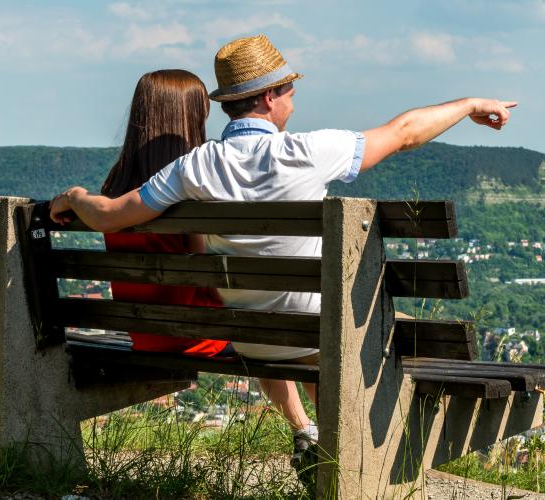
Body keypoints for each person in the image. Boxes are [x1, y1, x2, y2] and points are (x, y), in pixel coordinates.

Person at [49, 34, 517, 471]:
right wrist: (471, 104)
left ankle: (313, 435)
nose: (294, 100)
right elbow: (405, 131)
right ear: (270, 96)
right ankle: (378, 454)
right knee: (417, 333)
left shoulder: (192, 167)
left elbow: (109, 214)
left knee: (297, 314)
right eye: (291, 91)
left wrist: (72, 196)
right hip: (318, 338)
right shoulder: (308, 151)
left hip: (252, 340)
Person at [99, 69, 230, 358]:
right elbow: (207, 277)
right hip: (192, 336)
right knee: (268, 332)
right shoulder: (189, 185)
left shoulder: (115, 186)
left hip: (142, 333)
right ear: (191, 119)